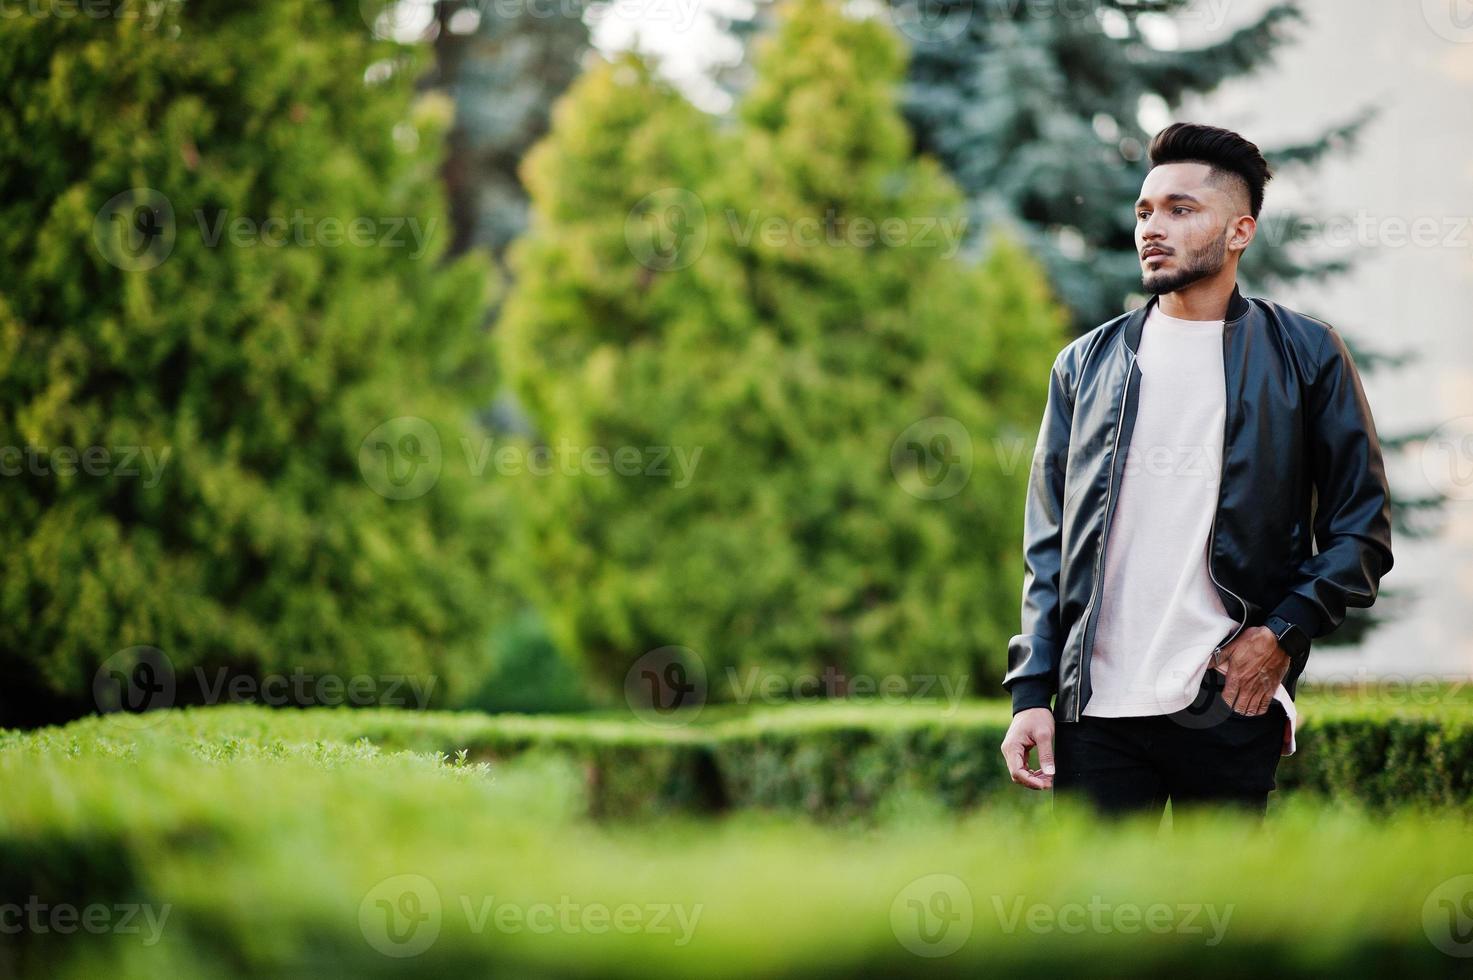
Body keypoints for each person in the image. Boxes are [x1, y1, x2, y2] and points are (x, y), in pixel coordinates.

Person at [997, 122, 1395, 819]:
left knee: (1226, 921)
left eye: (1180, 210)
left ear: (1238, 231)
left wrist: (1278, 637)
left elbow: (1360, 531)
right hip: (1096, 711)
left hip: (1228, 697)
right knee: (1099, 920)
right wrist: (1032, 692)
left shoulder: (1305, 355)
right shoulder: (1083, 366)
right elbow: (1047, 548)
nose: (1152, 228)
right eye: (1143, 212)